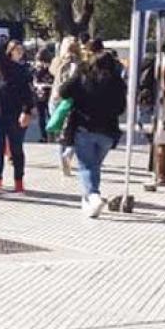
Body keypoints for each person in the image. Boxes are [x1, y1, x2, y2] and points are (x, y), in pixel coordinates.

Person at [60, 49, 126, 218]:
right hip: (108, 132)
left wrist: (77, 75)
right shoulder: (118, 83)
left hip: (85, 128)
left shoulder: (83, 77)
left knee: (87, 166)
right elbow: (121, 109)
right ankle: (88, 201)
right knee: (93, 166)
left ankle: (94, 196)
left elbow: (63, 92)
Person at [0, 40, 34, 193]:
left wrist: (27, 111)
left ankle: (19, 180)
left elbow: (26, 92)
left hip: (13, 112)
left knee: (16, 146)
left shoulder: (16, 70)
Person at [50, 37, 85, 177]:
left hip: (55, 98)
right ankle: (68, 155)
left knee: (60, 133)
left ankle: (62, 162)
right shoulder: (81, 64)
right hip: (72, 100)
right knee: (75, 131)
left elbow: (52, 72)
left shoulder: (57, 61)